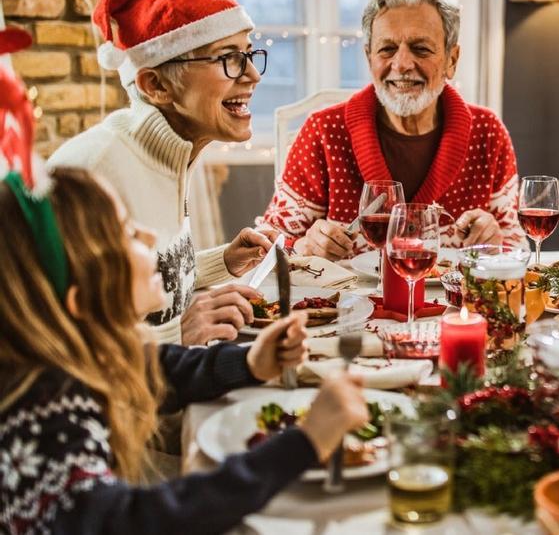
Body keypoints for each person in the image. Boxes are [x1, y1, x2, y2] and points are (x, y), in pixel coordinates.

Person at [0, 166, 369, 535]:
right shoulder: (43, 414)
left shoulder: (74, 356)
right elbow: (136, 522)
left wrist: (248, 362)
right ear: (82, 301)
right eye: (128, 233)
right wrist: (304, 443)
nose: (149, 236)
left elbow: (155, 368)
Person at [49, 0, 274, 346]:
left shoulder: (172, 153)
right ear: (156, 85)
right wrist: (177, 334)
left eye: (249, 54)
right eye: (229, 58)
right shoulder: (90, 174)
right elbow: (51, 340)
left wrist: (224, 262)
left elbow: (144, 287)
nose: (253, 74)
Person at [261, 0, 522, 258]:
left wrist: (496, 241)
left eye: (420, 49)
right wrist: (300, 246)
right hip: (347, 303)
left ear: (452, 60)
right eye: (387, 49)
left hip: (451, 304)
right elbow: (268, 246)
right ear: (368, 57)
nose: (402, 64)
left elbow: (516, 244)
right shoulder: (324, 131)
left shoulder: (487, 132)